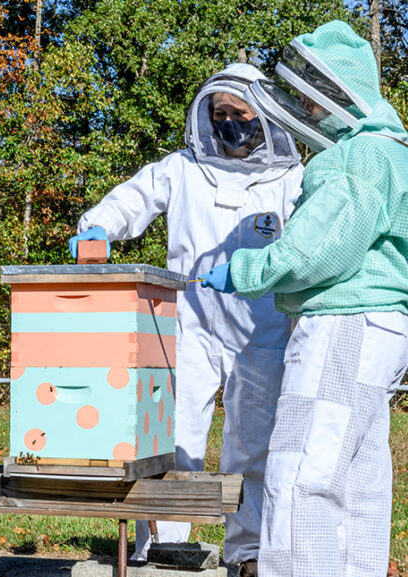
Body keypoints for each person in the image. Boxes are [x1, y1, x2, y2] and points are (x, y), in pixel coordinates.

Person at [70, 63, 304, 575]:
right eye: (218, 114)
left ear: (263, 117)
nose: (227, 124)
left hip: (263, 332)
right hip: (188, 326)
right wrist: (97, 227)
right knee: (174, 438)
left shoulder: (290, 180)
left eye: (238, 114)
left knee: (254, 445)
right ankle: (164, 546)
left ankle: (249, 552)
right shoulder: (181, 168)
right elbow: (132, 198)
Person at [199, 20, 408, 577]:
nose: (309, 113)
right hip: (383, 328)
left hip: (343, 323)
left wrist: (246, 269)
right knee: (358, 476)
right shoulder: (394, 153)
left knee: (302, 474)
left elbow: (318, 249)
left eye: (315, 100)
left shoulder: (356, 157)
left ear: (338, 92)